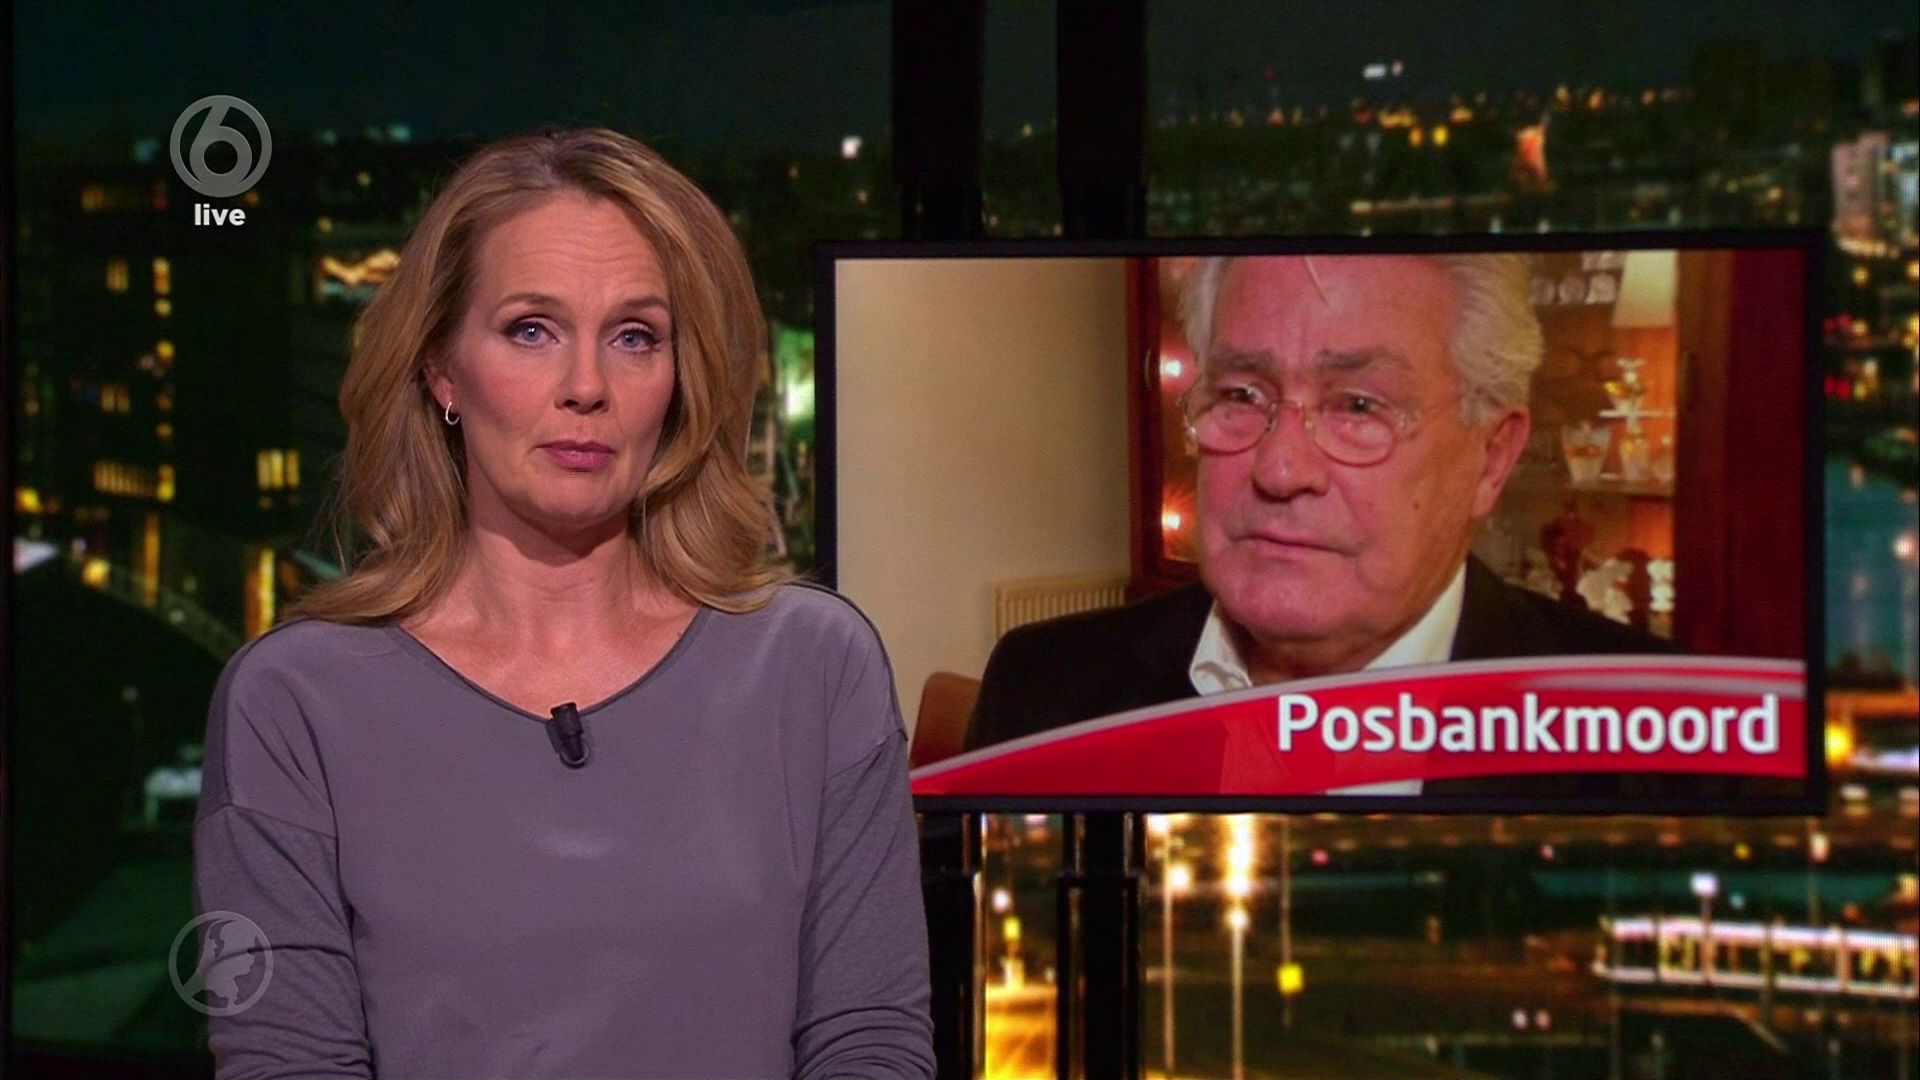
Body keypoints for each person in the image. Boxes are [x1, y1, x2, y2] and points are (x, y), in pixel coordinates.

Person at [192, 127, 934, 1078]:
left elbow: (868, 1041)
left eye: (635, 337)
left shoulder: (814, 666)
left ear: (680, 380)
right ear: (441, 368)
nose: (587, 388)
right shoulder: (294, 701)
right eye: (531, 330)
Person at [968, 253, 1695, 798]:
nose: (1280, 469)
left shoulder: (1672, 746)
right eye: (1241, 394)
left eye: (1357, 406)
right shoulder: (1040, 694)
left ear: (1492, 459)